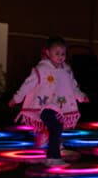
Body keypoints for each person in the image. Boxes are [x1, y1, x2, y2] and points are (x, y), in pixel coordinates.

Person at [8, 36, 88, 166]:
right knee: (55, 126)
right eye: (57, 53)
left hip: (60, 106)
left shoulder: (66, 70)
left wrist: (81, 96)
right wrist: (16, 98)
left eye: (63, 53)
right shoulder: (41, 70)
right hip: (44, 106)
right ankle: (52, 157)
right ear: (48, 53)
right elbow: (27, 85)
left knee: (57, 126)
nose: (61, 56)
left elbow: (72, 86)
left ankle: (49, 142)